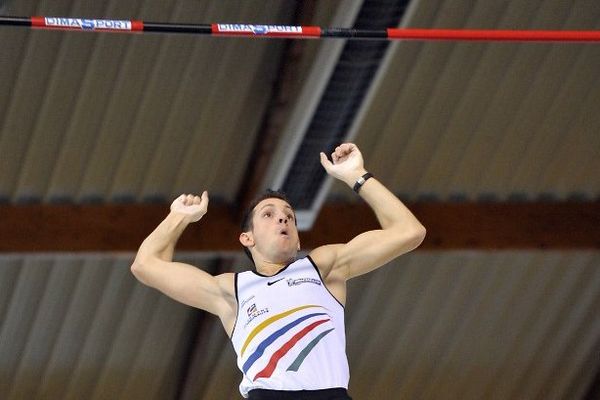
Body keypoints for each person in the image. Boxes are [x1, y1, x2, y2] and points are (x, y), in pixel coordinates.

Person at [131, 143, 426, 399]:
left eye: (289, 217)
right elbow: (146, 265)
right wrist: (178, 217)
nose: (282, 219)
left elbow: (409, 232)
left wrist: (356, 176)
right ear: (248, 238)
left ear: (298, 238)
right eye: (269, 215)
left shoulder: (323, 267)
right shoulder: (230, 291)